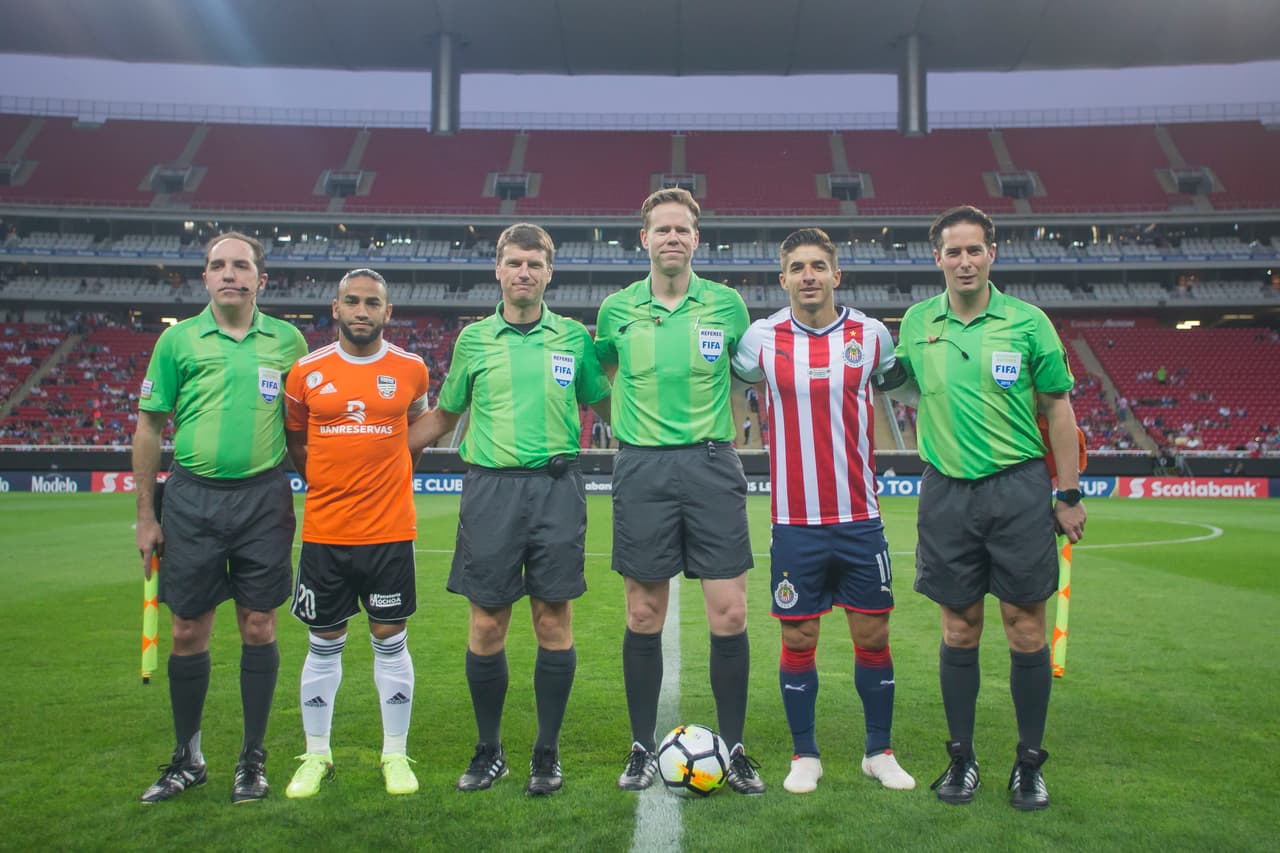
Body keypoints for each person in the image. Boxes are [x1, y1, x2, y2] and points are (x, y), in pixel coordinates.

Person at [894, 205, 1086, 811]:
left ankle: (1029, 764)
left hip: (1018, 489)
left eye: (974, 249)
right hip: (947, 491)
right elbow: (900, 386)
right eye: (953, 252)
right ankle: (962, 759)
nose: (964, 260)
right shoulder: (917, 323)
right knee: (959, 627)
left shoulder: (1028, 323)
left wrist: (1070, 493)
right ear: (938, 259)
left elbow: (1058, 409)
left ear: (992, 254)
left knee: (1025, 627)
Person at [409, 223, 610, 796]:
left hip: (556, 489)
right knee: (487, 622)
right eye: (514, 263)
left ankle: (546, 753)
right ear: (498, 270)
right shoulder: (473, 340)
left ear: (550, 273)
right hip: (491, 490)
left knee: (552, 619)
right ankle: (489, 748)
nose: (524, 272)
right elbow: (445, 418)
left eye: (535, 264)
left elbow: (609, 401)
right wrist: (375, 452)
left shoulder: (574, 337)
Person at [732, 228, 915, 795]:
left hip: (861, 518)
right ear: (781, 278)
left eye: (818, 266)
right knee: (798, 642)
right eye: (796, 267)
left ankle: (878, 752)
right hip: (793, 523)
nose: (807, 275)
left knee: (873, 634)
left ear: (837, 275)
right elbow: (728, 381)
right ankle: (804, 754)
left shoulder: (874, 334)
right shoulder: (760, 338)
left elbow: (898, 385)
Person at [595, 187, 764, 794]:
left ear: (696, 239)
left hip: (712, 465)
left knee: (731, 611)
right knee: (643, 613)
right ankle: (642, 747)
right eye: (661, 230)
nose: (671, 238)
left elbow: (748, 376)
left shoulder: (727, 306)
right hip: (641, 468)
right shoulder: (616, 310)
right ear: (644, 239)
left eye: (681, 230)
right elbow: (600, 377)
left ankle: (737, 747)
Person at [133, 231, 309, 804]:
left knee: (259, 626)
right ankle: (188, 757)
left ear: (262, 278)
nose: (229, 273)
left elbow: (299, 428)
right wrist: (144, 516)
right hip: (191, 498)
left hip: (263, 498)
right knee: (187, 629)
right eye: (218, 265)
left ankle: (251, 759)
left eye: (241, 265)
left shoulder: (288, 340)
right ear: (205, 278)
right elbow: (150, 427)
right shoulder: (177, 342)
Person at [280, 269, 430, 798]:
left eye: (372, 303)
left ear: (387, 312)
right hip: (326, 533)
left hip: (390, 530)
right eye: (352, 301)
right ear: (336, 308)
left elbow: (416, 429)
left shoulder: (412, 369)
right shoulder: (304, 372)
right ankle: (316, 755)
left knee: (389, 640)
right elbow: (297, 445)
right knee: (323, 642)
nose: (362, 310)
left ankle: (395, 754)